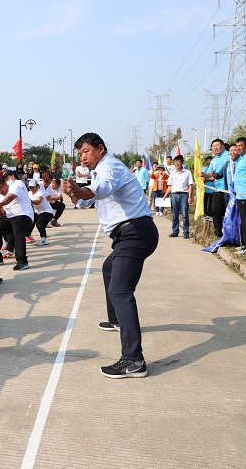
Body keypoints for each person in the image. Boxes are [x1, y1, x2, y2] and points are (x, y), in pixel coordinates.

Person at [62, 133, 158, 379]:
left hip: (135, 233)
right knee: (109, 268)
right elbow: (87, 201)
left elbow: (101, 190)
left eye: (86, 151)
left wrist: (80, 190)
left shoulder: (110, 167)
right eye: (80, 154)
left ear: (100, 148)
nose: (83, 158)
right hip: (130, 234)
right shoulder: (98, 172)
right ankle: (116, 320)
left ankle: (134, 360)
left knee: (120, 292)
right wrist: (73, 193)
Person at [0, 172, 34, 271]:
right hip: (10, 218)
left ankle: (22, 262)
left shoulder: (15, 186)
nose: (0, 192)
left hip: (24, 216)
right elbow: (2, 214)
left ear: (5, 184)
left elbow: (10, 198)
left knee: (17, 226)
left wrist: (0, 204)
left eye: (1, 189)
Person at [201, 139, 228, 237]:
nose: (215, 148)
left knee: (227, 212)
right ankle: (218, 232)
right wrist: (202, 174)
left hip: (228, 190)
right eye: (213, 146)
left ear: (223, 146)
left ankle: (228, 232)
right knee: (215, 211)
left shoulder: (229, 156)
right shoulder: (214, 160)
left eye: (217, 145)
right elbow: (209, 173)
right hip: (217, 189)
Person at [163, 155, 193, 239]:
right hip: (174, 195)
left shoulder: (187, 173)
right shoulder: (172, 174)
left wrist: (190, 197)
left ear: (182, 162)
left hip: (184, 195)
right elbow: (170, 186)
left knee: (184, 214)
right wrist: (165, 195)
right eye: (175, 162)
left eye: (178, 162)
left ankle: (186, 231)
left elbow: (190, 185)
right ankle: (175, 231)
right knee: (174, 214)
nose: (177, 164)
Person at [28, 179, 53, 246]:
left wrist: (29, 201)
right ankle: (27, 236)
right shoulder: (29, 193)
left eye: (33, 187)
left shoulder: (40, 193)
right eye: (30, 187)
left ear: (37, 186)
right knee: (30, 221)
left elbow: (38, 202)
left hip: (47, 212)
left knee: (39, 224)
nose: (31, 189)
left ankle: (44, 239)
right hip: (38, 212)